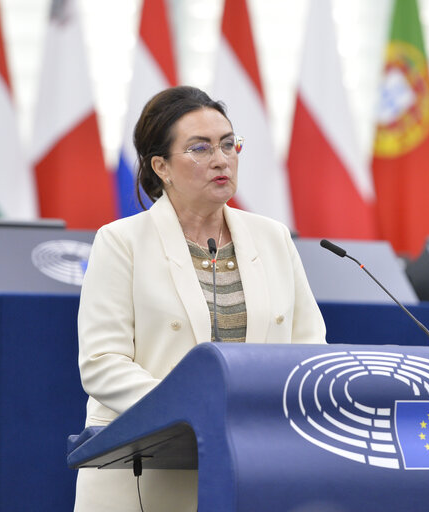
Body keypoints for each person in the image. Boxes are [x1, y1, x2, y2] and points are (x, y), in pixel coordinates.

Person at [73, 86, 327, 511]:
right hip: (146, 471)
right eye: (200, 148)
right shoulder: (121, 242)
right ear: (162, 167)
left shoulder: (273, 237)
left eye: (229, 144)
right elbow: (101, 364)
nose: (221, 159)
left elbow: (309, 351)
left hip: (252, 464)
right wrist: (190, 411)